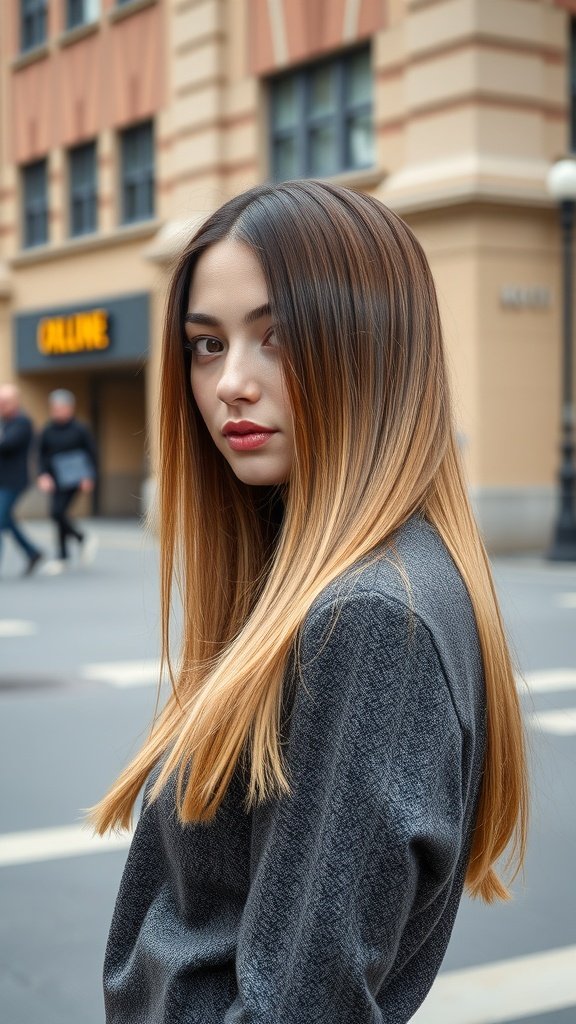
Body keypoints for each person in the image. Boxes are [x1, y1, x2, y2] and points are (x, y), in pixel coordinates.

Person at [91, 181, 528, 1024]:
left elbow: (302, 1005)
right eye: (207, 345)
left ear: (374, 350)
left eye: (277, 338)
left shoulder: (370, 617)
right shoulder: (338, 585)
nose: (231, 385)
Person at [37, 389, 98, 570]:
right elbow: (41, 455)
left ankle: (76, 543)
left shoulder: (80, 429)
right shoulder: (48, 430)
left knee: (58, 512)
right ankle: (66, 553)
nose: (57, 411)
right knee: (58, 514)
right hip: (55, 478)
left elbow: (92, 453)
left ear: (70, 408)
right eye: (54, 408)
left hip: (76, 478)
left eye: (60, 408)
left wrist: (89, 476)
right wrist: (43, 475)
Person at [0, 383, 43, 576]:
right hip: (2, 481)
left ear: (15, 402)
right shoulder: (4, 422)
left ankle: (32, 552)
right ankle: (32, 552)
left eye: (5, 401)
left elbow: (7, 445)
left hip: (13, 482)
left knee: (0, 519)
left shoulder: (22, 422)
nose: (1, 405)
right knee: (6, 520)